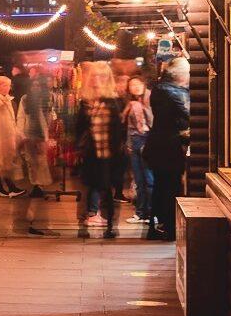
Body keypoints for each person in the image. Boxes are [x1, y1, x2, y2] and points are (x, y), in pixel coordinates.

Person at [74, 61, 126, 239]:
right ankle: (83, 225)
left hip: (110, 155)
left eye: (102, 76)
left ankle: (110, 225)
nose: (98, 79)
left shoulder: (114, 101)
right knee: (87, 190)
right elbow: (79, 128)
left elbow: (119, 130)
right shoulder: (86, 101)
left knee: (107, 191)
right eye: (95, 75)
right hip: (90, 153)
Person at [146, 58, 190, 241]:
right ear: (181, 75)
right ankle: (167, 228)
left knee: (161, 187)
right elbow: (187, 113)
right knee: (169, 188)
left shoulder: (162, 89)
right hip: (168, 149)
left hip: (160, 147)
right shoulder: (172, 92)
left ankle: (157, 227)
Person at [0, 75, 26, 199]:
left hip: (6, 136)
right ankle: (8, 188)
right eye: (5, 85)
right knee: (2, 164)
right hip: (0, 137)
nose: (8, 87)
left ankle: (1, 188)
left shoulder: (5, 99)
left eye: (9, 85)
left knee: (3, 164)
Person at [123, 75, 154, 225]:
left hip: (147, 140)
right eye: (131, 85)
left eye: (137, 84)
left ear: (144, 84)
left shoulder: (150, 98)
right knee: (139, 180)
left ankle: (152, 213)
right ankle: (140, 213)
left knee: (149, 179)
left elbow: (153, 121)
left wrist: (141, 108)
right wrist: (129, 145)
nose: (134, 87)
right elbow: (129, 126)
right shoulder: (133, 102)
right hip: (134, 142)